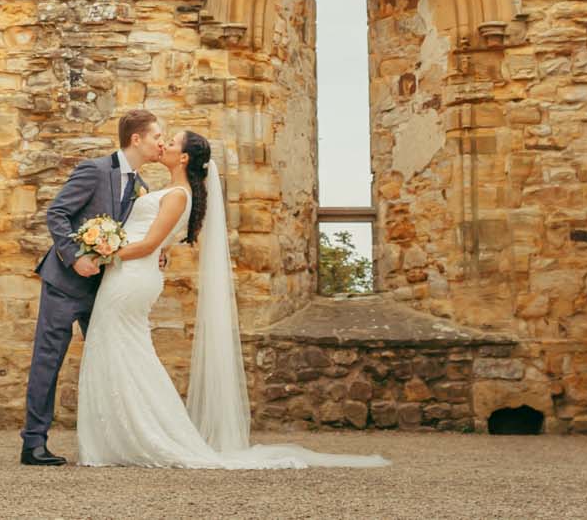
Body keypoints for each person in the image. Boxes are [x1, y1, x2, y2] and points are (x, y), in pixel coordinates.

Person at [73, 128, 389, 471]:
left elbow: (149, 245)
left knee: (127, 351)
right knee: (118, 350)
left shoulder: (179, 194)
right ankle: (119, 439)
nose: (163, 143)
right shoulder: (171, 191)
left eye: (172, 142)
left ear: (184, 158)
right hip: (129, 274)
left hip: (131, 277)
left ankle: (156, 436)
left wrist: (102, 252)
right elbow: (157, 244)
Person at [20, 109, 168, 465]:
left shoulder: (140, 185)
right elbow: (56, 213)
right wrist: (74, 257)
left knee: (110, 361)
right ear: (137, 139)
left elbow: (136, 235)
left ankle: (114, 441)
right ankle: (33, 444)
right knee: (48, 360)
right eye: (157, 137)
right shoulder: (95, 170)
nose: (161, 142)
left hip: (105, 288)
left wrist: (155, 255)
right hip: (64, 283)